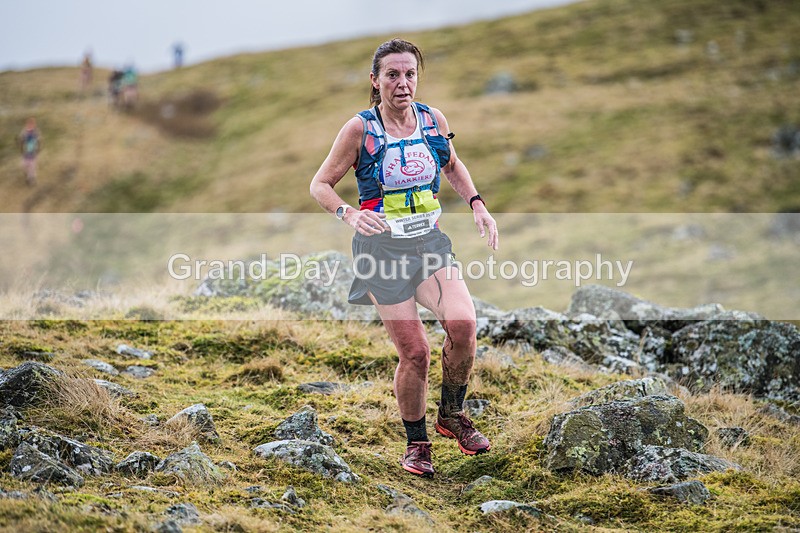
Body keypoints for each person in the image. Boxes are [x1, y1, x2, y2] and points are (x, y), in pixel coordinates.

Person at [310, 38, 499, 478]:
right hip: (381, 254)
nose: (402, 83)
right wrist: (348, 213)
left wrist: (477, 204)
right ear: (375, 81)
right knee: (416, 353)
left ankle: (451, 415)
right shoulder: (360, 129)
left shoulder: (432, 120)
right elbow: (320, 184)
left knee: (464, 324)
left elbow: (451, 164)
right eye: (392, 75)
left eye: (410, 73)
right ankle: (417, 444)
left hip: (429, 246)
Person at [17, 117, 42, 186]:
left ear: (34, 125)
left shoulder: (36, 131)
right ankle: (27, 175)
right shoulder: (24, 131)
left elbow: (39, 140)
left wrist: (39, 149)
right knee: (24, 165)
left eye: (32, 124)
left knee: (32, 166)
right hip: (25, 152)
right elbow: (21, 140)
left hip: (33, 152)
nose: (30, 125)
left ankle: (31, 179)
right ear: (26, 124)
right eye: (28, 124)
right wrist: (20, 148)